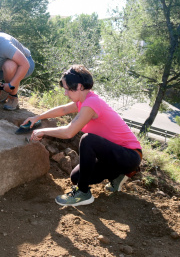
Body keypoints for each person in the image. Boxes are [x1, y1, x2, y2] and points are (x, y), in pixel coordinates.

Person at [22, 65, 142, 206]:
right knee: (76, 177)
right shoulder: (84, 100)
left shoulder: (92, 102)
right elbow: (64, 109)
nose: (65, 93)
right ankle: (117, 175)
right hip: (112, 156)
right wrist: (38, 117)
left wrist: (43, 131)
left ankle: (83, 193)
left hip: (130, 155)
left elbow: (69, 132)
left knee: (88, 140)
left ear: (79, 86)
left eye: (67, 89)